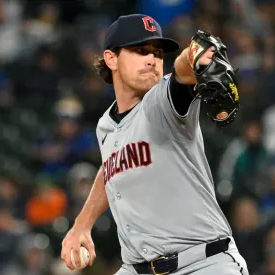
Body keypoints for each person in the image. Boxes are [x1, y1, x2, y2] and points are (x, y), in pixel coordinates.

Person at [60, 14, 248, 275]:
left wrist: (193, 56)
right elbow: (111, 169)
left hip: (203, 263)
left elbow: (181, 73)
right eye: (140, 51)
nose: (152, 60)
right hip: (137, 269)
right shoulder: (105, 125)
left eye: (158, 53)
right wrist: (82, 223)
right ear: (111, 58)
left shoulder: (160, 102)